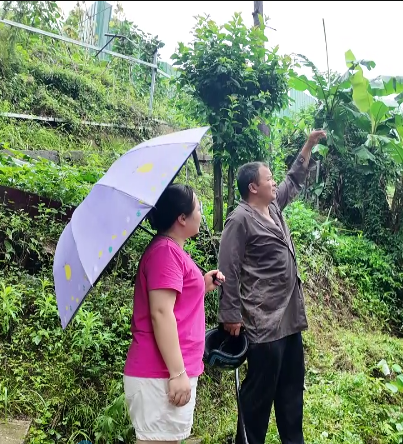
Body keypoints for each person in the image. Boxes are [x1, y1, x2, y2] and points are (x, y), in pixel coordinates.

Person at [217, 129, 327, 444]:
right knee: (258, 399)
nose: (274, 182)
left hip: (290, 320)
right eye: (268, 179)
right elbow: (229, 268)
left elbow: (293, 179)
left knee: (292, 392)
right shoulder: (240, 220)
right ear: (254, 187)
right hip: (263, 322)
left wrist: (308, 144)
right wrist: (230, 314)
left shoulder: (273, 207)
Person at [123, 184, 225, 444]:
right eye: (198, 207)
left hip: (166, 373)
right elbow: (160, 312)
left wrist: (202, 284)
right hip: (160, 374)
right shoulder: (165, 252)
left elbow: (175, 302)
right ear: (182, 218)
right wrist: (177, 374)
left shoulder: (170, 250)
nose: (201, 212)